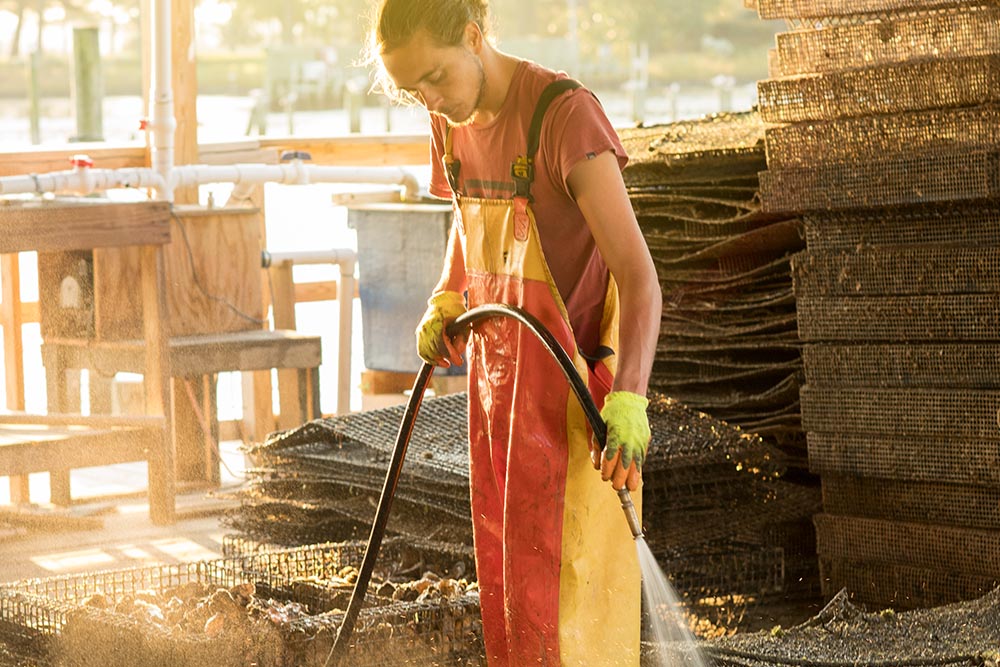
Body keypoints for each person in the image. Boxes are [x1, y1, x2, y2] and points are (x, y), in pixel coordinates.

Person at [367, 1, 662, 664]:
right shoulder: (448, 125)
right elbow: (469, 220)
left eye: (437, 77)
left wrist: (631, 399)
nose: (431, 99)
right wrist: (448, 294)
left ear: (474, 38)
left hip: (576, 411)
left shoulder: (562, 116)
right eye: (413, 88)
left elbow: (641, 280)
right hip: (498, 404)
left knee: (572, 610)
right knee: (510, 601)